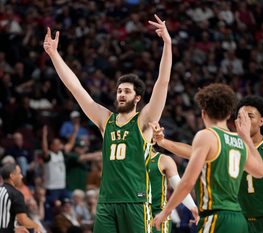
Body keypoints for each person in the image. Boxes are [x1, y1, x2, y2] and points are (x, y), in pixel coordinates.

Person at [43, 14, 172, 233]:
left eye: (127, 91)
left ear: (137, 98)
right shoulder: (105, 119)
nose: (121, 94)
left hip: (135, 201)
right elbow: (77, 89)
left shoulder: (145, 120)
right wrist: (54, 55)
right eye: (119, 90)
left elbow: (163, 83)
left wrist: (167, 45)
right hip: (106, 202)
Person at [151, 95, 263, 233]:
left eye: (250, 116)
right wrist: (163, 142)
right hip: (241, 221)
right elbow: (191, 150)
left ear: (261, 121)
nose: (245, 121)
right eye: (241, 117)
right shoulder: (230, 143)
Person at [153, 83, 263, 232]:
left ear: (203, 113)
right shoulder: (239, 141)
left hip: (216, 217)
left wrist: (166, 211)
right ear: (228, 115)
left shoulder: (206, 135)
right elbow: (260, 171)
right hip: (238, 220)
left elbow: (188, 181)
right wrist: (247, 139)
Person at [148, 148, 197, 233]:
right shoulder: (128, 160)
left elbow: (179, 187)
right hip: (134, 212)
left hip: (156, 214)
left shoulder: (163, 160)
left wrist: (192, 207)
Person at [0, 163, 44, 233]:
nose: (21, 176)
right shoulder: (16, 194)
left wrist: (14, 228)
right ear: (12, 176)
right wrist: (36, 225)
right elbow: (23, 220)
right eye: (19, 173)